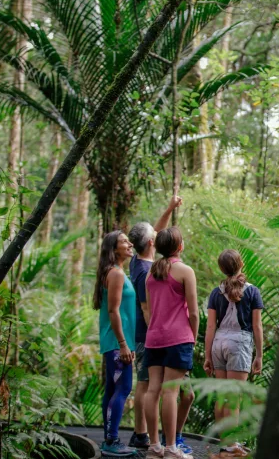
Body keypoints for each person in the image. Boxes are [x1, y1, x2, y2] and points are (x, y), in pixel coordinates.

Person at [127, 197, 194, 455]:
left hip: (153, 335)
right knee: (155, 388)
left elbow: (157, 235)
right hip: (158, 334)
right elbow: (148, 309)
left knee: (151, 387)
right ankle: (154, 439)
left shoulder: (142, 263)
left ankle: (150, 440)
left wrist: (169, 208)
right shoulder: (153, 271)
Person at [143, 227, 198, 459]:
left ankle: (154, 446)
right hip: (178, 338)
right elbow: (194, 313)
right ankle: (172, 449)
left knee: (153, 390)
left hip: (153, 338)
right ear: (180, 246)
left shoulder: (150, 274)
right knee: (170, 392)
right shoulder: (185, 271)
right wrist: (192, 338)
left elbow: (151, 307)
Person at [203, 250, 264, 456]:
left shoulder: (215, 292)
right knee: (234, 398)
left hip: (218, 342)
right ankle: (231, 443)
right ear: (241, 264)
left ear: (222, 269)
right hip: (239, 344)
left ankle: (225, 442)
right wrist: (259, 356)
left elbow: (210, 327)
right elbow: (257, 326)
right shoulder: (252, 292)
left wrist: (208, 355)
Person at [94, 231, 137, 457]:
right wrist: (123, 344)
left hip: (117, 342)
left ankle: (109, 439)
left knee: (112, 390)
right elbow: (113, 310)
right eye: (124, 242)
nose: (129, 244)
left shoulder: (116, 272)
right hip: (116, 342)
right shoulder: (116, 274)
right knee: (123, 388)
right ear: (114, 248)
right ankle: (112, 440)